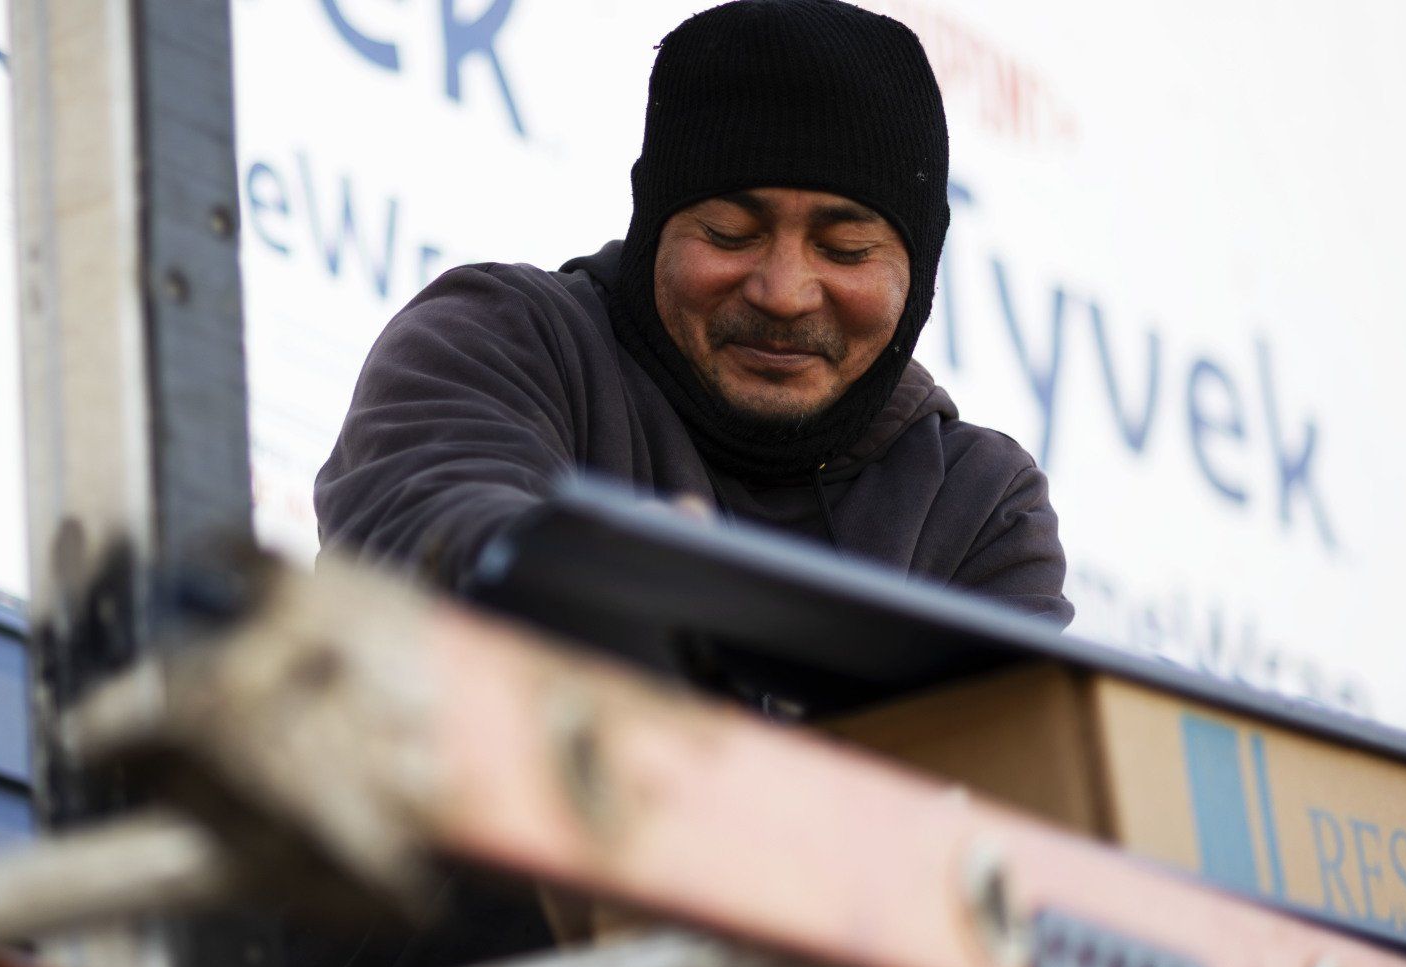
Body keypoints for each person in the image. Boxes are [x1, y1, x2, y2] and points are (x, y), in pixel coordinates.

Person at [315, 0, 1072, 625]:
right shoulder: (500, 337)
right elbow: (423, 535)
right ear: (652, 230)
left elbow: (1023, 775)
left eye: (844, 250)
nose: (783, 292)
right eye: (729, 235)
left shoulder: (977, 502)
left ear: (921, 270)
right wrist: (609, 577)